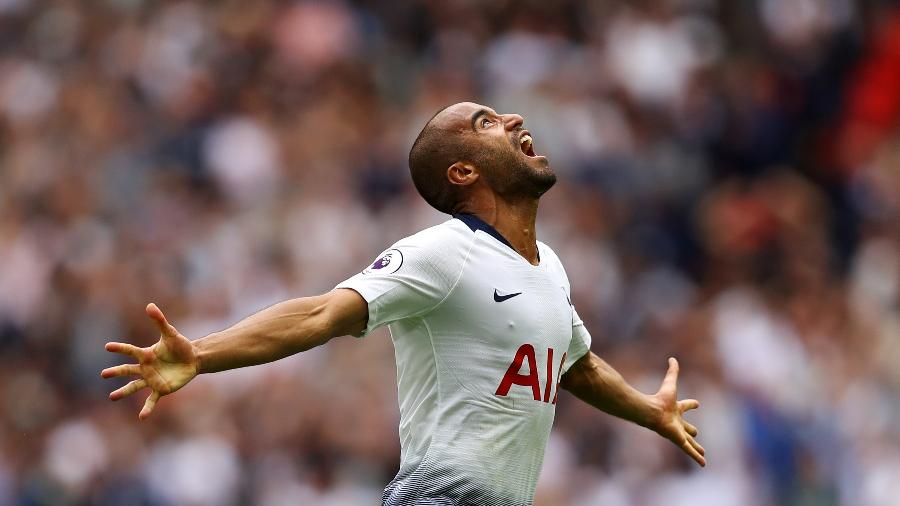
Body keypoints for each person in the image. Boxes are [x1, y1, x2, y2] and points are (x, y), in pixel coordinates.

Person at [102, 102, 705, 505]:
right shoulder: (446, 252)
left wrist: (648, 411)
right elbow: (322, 314)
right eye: (487, 121)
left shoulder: (548, 266)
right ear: (464, 170)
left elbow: (576, 364)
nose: (514, 117)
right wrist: (203, 354)